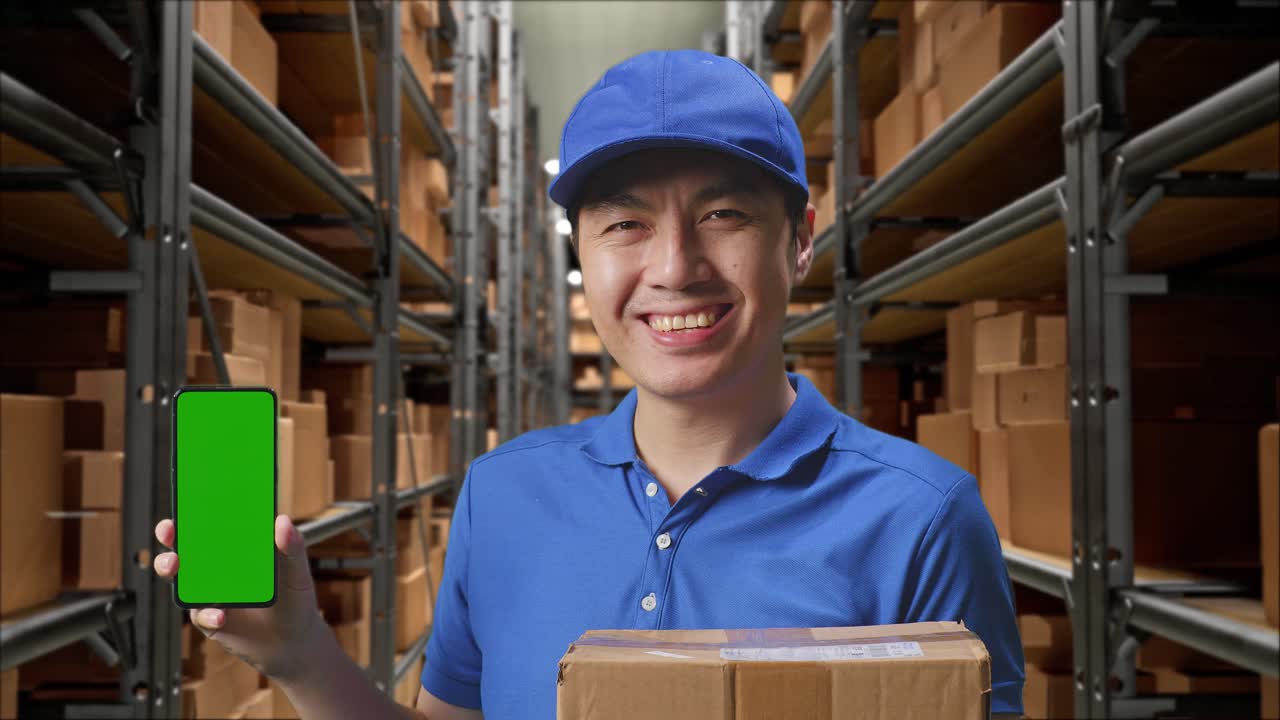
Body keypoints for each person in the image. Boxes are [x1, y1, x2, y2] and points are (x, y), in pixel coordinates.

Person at [153, 49, 1024, 719]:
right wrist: (304, 656)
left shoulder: (923, 519)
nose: (675, 267)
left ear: (798, 240)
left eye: (723, 214)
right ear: (581, 255)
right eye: (625, 225)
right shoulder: (502, 495)